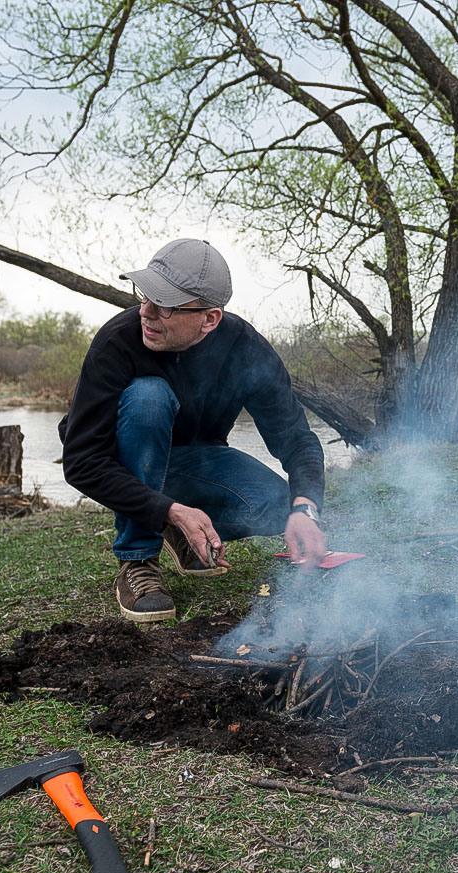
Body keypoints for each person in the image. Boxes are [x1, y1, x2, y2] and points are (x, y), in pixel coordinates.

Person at [60, 238, 327, 622]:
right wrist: (168, 508)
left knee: (277, 506)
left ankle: (177, 526)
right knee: (148, 396)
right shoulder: (117, 342)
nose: (147, 312)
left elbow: (296, 439)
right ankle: (138, 558)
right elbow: (82, 461)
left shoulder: (245, 349)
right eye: (145, 295)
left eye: (165, 304)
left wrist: (306, 508)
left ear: (210, 319)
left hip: (194, 461)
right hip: (125, 460)